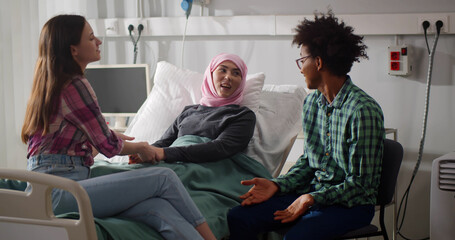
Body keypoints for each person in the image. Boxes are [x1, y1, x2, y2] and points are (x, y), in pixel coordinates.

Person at [21, 14, 215, 240]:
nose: (99, 42)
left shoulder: (50, 84)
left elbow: (76, 140)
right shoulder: (75, 84)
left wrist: (108, 136)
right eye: (91, 37)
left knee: (156, 208)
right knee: (165, 178)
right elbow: (109, 147)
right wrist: (142, 147)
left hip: (44, 191)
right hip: (62, 192)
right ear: (73, 50)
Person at [227, 11, 385, 240]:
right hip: (312, 193)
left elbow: (361, 186)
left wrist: (311, 199)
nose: (300, 68)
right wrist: (278, 186)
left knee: (296, 237)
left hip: (351, 206)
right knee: (238, 217)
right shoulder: (311, 103)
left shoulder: (362, 111)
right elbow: (309, 161)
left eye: (302, 60)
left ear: (318, 62)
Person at [129, 52, 256, 164]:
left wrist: (165, 154)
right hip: (173, 162)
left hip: (208, 168)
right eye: (223, 70)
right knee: (117, 172)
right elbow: (164, 143)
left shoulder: (242, 115)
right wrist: (145, 152)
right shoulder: (189, 112)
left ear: (241, 81)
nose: (228, 76)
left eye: (236, 73)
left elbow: (220, 148)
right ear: (210, 75)